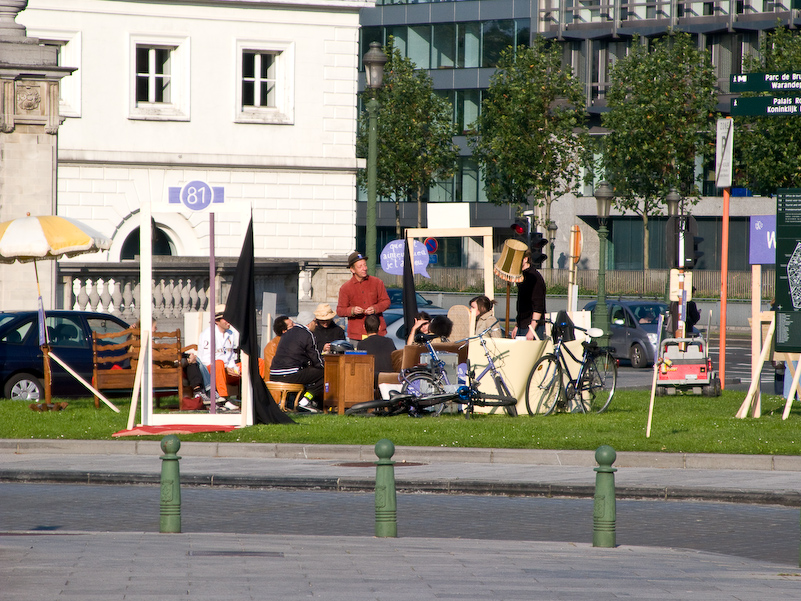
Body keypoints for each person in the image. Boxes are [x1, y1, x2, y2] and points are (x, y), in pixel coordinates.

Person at [185, 304, 240, 406]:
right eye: (225, 319)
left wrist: (234, 368)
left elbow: (232, 355)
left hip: (228, 369)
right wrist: (226, 368)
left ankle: (262, 398)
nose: (229, 322)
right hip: (211, 370)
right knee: (218, 364)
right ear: (217, 321)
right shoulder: (208, 334)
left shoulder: (231, 334)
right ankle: (223, 399)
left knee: (257, 363)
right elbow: (206, 360)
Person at [269, 313, 324, 412]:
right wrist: (324, 364)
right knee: (326, 373)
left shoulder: (286, 333)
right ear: (309, 323)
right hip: (290, 374)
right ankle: (304, 401)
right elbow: (317, 360)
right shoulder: (307, 334)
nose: (316, 324)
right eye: (315, 321)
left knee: (304, 372)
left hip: (274, 374)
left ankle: (287, 402)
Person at [337, 251, 391, 343]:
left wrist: (375, 308)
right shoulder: (345, 288)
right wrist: (352, 310)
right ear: (352, 269)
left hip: (377, 332)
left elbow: (386, 302)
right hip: (357, 335)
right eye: (360, 266)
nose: (364, 268)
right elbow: (340, 310)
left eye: (365, 265)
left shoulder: (377, 282)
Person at [512, 250, 546, 340]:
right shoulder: (523, 276)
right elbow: (522, 305)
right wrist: (517, 325)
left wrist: (532, 330)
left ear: (525, 259)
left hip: (533, 327)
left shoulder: (534, 277)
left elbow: (538, 306)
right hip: (522, 325)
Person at [357, 314, 397, 385]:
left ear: (364, 327)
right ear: (379, 327)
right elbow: (395, 359)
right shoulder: (389, 341)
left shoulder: (361, 344)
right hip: (388, 379)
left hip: (371, 380)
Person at [261, 315, 292, 379]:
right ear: (284, 331)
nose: (295, 327)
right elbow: (272, 368)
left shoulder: (291, 341)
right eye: (291, 326)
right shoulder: (273, 345)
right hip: (278, 380)